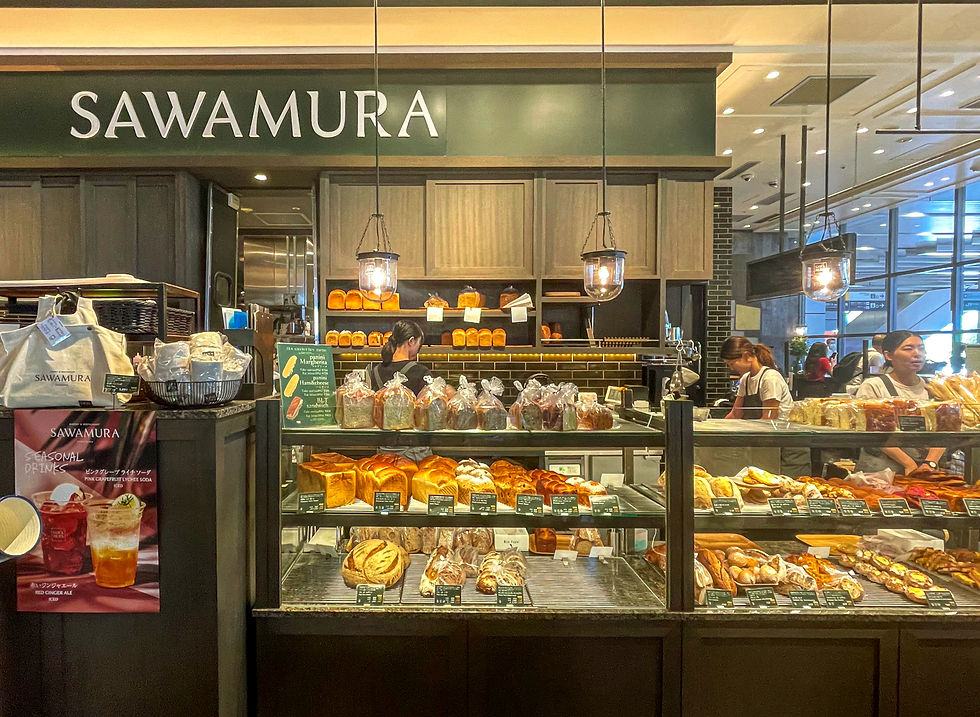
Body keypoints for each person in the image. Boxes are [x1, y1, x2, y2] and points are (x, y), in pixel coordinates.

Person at [855, 330, 944, 474]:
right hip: (881, 472)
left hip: (926, 470)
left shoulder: (933, 389)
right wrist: (909, 464)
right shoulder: (874, 386)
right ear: (888, 355)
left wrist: (930, 463)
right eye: (908, 349)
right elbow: (872, 433)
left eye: (921, 348)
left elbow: (945, 431)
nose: (917, 353)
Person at [720, 336, 793, 420]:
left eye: (732, 363)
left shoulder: (770, 378)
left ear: (747, 356)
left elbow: (769, 418)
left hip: (778, 431)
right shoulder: (745, 379)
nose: (731, 368)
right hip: (757, 430)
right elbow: (735, 414)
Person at [368, 319, 432, 395]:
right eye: (419, 343)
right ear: (411, 341)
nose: (419, 349)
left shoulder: (375, 372)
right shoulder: (421, 373)